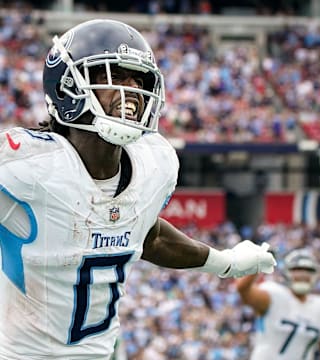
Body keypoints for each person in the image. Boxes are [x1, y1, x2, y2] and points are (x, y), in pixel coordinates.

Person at [0, 19, 276, 360]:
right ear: (67, 86)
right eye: (111, 76)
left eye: (137, 80)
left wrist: (226, 262)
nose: (129, 91)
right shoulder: (27, 165)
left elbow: (147, 235)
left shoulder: (153, 162)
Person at [236, 248, 320, 360]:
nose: (303, 274)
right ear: (286, 272)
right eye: (297, 269)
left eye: (308, 270)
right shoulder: (273, 295)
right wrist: (259, 263)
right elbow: (243, 289)